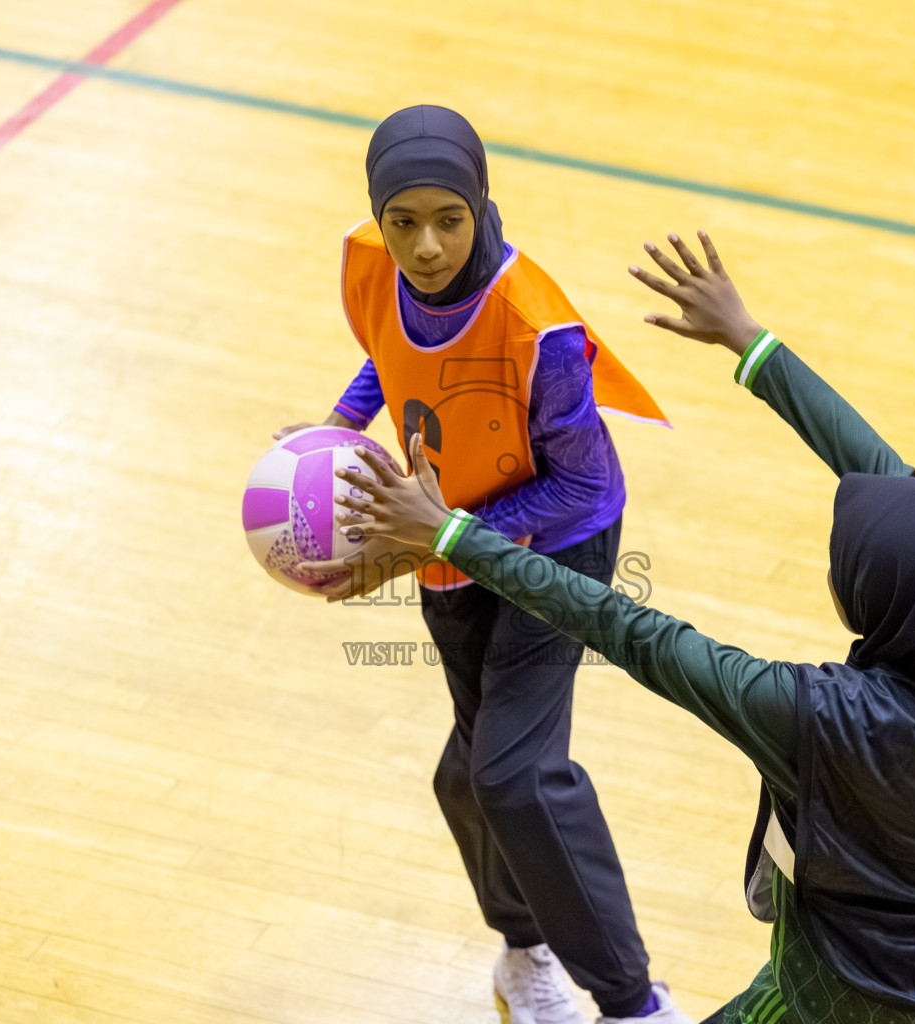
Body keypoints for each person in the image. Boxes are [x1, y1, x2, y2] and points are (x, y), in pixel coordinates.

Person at [327, 230, 915, 1024]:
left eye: (838, 563)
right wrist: (750, 342)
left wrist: (452, 535)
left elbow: (629, 629)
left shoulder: (820, 720)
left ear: (867, 602)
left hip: (853, 997)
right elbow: (894, 482)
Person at [285, 105, 692, 1024]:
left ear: (479, 205)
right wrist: (335, 430)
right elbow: (389, 353)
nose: (425, 246)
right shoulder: (376, 265)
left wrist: (437, 535)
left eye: (449, 220)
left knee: (514, 774)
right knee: (472, 776)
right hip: (445, 528)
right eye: (403, 222)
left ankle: (634, 1004)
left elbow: (583, 481)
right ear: (378, 216)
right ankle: (523, 952)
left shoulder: (536, 327)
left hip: (562, 542)